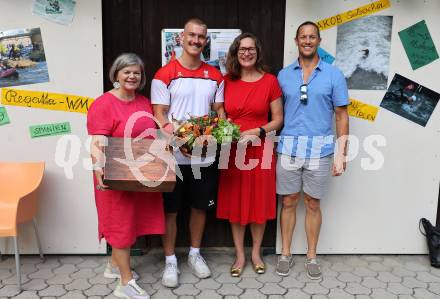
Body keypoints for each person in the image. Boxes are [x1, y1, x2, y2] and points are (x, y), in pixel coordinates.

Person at [151, 18, 225, 288]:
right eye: (191, 35)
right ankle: (170, 260)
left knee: (199, 208)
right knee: (170, 210)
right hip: (173, 155)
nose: (196, 40)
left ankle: (195, 254)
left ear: (206, 41)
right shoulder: (164, 74)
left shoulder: (215, 75)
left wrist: (213, 133)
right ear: (182, 38)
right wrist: (179, 139)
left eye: (201, 37)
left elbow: (219, 112)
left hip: (205, 155)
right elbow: (159, 113)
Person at [87, 53, 165, 299]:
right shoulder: (103, 104)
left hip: (138, 176)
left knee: (130, 222)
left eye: (137, 73)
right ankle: (125, 282)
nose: (132, 76)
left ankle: (113, 266)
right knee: (120, 225)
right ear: (116, 74)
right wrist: (99, 170)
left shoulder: (143, 102)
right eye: (127, 72)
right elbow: (97, 142)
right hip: (113, 175)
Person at [276, 21, 349, 279]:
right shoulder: (283, 75)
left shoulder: (333, 75)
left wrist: (341, 153)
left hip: (320, 150)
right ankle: (285, 253)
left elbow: (341, 115)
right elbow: (276, 114)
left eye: (312, 37)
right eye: (303, 37)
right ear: (296, 41)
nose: (307, 41)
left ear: (319, 41)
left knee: (313, 204)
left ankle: (311, 256)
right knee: (288, 202)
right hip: (288, 148)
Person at [216, 33, 283, 277]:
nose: (246, 53)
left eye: (251, 49)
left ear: (257, 52)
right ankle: (240, 254)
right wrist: (226, 128)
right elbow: (220, 113)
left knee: (259, 201)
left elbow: (278, 119)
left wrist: (258, 130)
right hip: (233, 149)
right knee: (235, 201)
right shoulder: (226, 81)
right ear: (235, 53)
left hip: (261, 148)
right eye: (242, 49)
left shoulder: (270, 82)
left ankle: (255, 252)